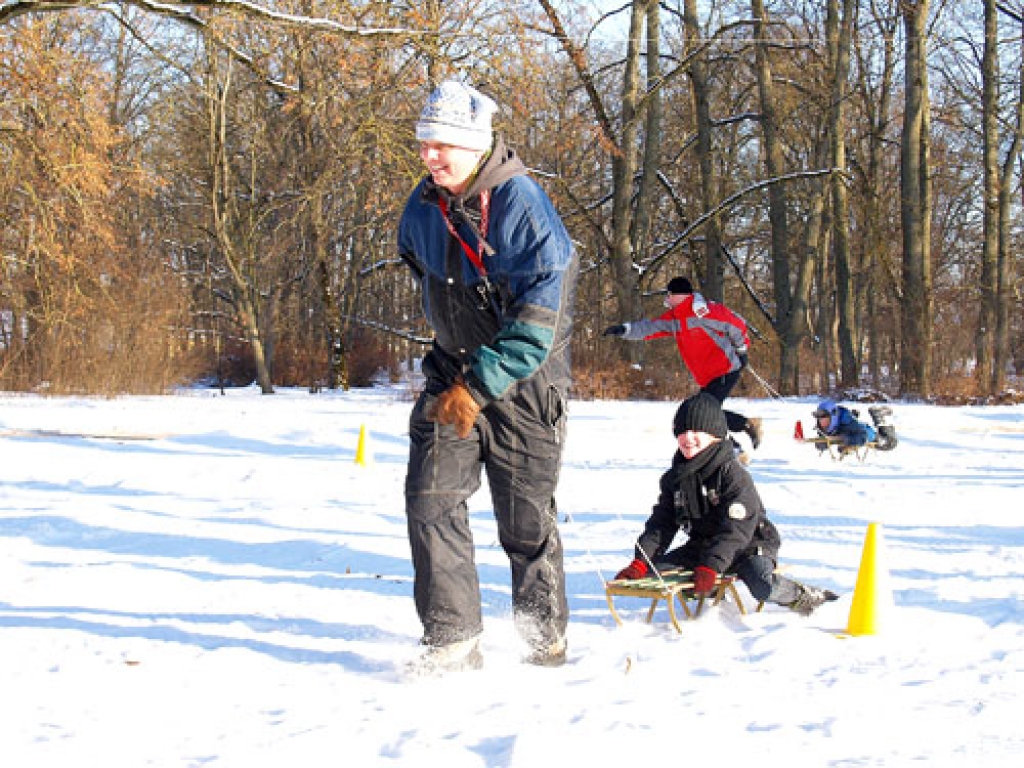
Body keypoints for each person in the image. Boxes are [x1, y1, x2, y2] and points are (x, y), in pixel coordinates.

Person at [397, 80, 578, 674]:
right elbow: (421, 269)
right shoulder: (422, 207)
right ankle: (452, 639)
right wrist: (454, 363)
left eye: (443, 144)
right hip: (452, 375)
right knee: (430, 500)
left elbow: (534, 326)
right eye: (424, 142)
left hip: (524, 387)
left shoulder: (523, 207)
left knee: (524, 525)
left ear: (476, 146)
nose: (429, 155)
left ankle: (540, 638)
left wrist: (478, 386)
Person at [612, 393, 838, 616]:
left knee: (761, 584)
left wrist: (711, 565)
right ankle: (710, 591)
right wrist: (641, 561)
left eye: (696, 431)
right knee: (654, 575)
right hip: (704, 545)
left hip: (748, 544)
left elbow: (736, 529)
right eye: (682, 431)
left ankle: (801, 596)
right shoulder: (675, 478)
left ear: (715, 436)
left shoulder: (732, 475)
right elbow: (661, 524)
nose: (688, 437)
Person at [602, 277, 762, 452]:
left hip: (725, 369)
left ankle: (736, 441)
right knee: (702, 413)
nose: (667, 299)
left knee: (703, 414)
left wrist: (742, 350)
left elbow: (736, 324)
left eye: (669, 295)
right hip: (707, 376)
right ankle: (736, 439)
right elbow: (651, 328)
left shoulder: (706, 312)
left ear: (678, 295)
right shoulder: (675, 318)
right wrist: (624, 330)